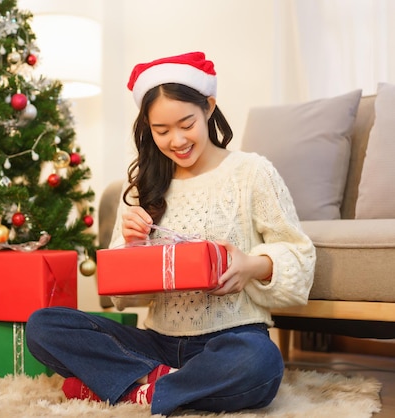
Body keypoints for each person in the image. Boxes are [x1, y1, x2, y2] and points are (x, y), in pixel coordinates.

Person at [26, 51, 316, 416]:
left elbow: (300, 257)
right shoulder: (141, 189)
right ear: (147, 128)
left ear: (209, 107)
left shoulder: (252, 173)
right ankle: (168, 385)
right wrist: (131, 249)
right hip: (156, 343)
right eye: (161, 131)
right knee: (42, 326)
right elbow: (119, 298)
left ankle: (133, 387)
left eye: (186, 123)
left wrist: (252, 265)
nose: (176, 140)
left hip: (232, 338)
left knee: (260, 362)